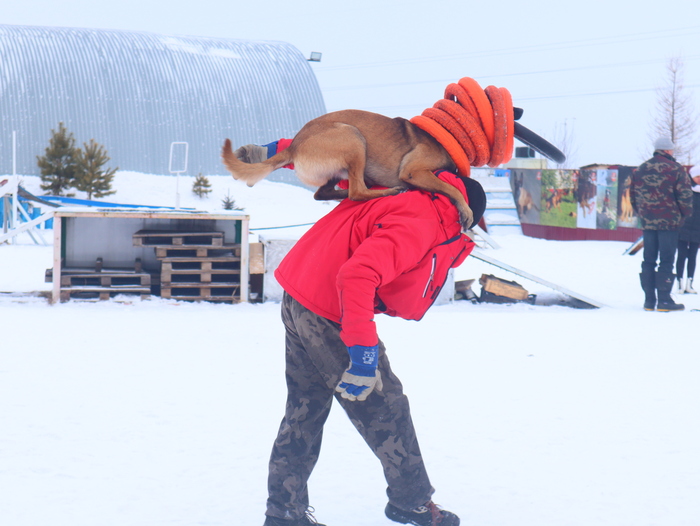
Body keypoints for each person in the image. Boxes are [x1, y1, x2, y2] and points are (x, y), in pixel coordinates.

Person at [235, 141, 486, 526]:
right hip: (328, 309)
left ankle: (285, 511)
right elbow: (357, 276)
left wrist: (279, 151)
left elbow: (341, 158)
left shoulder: (399, 190)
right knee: (386, 407)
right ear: (464, 213)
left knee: (305, 407)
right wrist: (363, 351)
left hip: (299, 293)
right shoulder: (424, 219)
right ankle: (411, 501)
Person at [630, 136, 693, 311]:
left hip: (648, 222)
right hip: (669, 222)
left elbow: (633, 196)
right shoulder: (676, 169)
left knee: (648, 259)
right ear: (667, 150)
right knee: (666, 259)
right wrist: (684, 215)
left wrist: (643, 214)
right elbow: (685, 195)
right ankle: (664, 300)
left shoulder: (640, 169)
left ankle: (649, 301)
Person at [675, 164, 700, 294]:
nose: (699, 179)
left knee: (693, 257)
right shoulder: (685, 189)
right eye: (697, 176)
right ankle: (679, 282)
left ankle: (690, 283)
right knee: (681, 255)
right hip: (683, 227)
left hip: (697, 229)